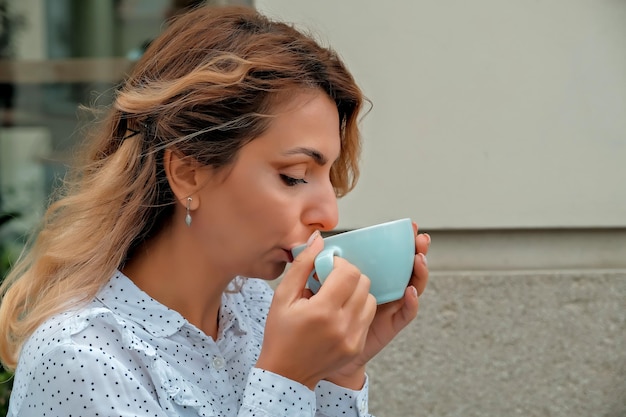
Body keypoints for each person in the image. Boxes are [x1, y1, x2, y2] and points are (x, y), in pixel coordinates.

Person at [0, 5, 430, 416]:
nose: (329, 216)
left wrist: (339, 371)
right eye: (295, 175)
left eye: (328, 176)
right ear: (188, 172)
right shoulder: (80, 357)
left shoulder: (262, 313)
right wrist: (288, 377)